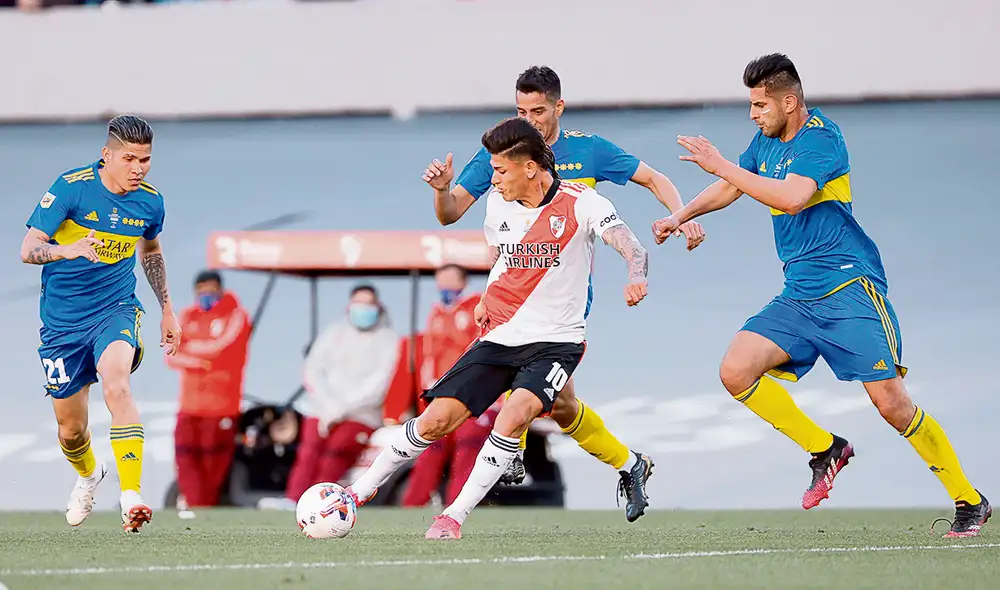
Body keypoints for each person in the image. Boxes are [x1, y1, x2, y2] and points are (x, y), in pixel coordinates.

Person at [652, 53, 990, 538]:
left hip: (848, 287)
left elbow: (791, 196)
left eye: (759, 105)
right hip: (800, 293)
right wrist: (679, 215)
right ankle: (826, 449)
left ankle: (968, 499)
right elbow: (731, 187)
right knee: (735, 369)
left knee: (893, 405)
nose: (753, 114)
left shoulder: (822, 139)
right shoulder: (766, 142)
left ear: (789, 101)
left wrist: (721, 162)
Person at [348, 117, 650, 540]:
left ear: (530, 167)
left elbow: (629, 243)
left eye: (500, 170)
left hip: (556, 341)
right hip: (500, 335)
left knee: (514, 414)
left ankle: (452, 517)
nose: (493, 179)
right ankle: (353, 495)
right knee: (437, 421)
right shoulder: (498, 203)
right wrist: (490, 295)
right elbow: (504, 258)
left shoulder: (582, 201)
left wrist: (636, 274)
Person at [423, 65, 692, 521]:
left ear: (559, 108)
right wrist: (443, 189)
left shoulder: (587, 151)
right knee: (562, 407)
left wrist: (683, 216)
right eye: (521, 110)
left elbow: (654, 178)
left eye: (539, 111)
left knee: (527, 376)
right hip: (512, 292)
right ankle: (630, 464)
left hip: (563, 298)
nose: (530, 121)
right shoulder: (502, 151)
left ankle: (513, 447)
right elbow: (449, 214)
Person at [20, 114, 181, 533]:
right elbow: (28, 248)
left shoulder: (150, 201)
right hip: (62, 322)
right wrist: (67, 250)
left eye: (145, 160)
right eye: (129, 159)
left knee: (117, 384)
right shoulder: (71, 188)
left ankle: (132, 496)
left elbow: (150, 250)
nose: (138, 169)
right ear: (106, 155)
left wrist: (167, 308)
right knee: (71, 431)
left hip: (115, 309)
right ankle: (90, 476)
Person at [265, 284, 400, 509]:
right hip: (323, 409)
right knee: (309, 450)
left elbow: (379, 385)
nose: (363, 309)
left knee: (336, 450)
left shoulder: (389, 340)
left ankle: (320, 502)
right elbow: (313, 370)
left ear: (378, 307)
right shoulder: (333, 332)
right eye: (359, 303)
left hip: (361, 414)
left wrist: (342, 409)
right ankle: (293, 498)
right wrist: (329, 407)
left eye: (368, 304)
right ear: (349, 306)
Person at [399, 264, 497, 507]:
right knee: (430, 447)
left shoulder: (478, 306)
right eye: (440, 281)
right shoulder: (438, 312)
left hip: (474, 393)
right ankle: (412, 506)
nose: (444, 287)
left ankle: (457, 508)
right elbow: (430, 356)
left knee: (467, 447)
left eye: (450, 281)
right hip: (442, 394)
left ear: (463, 282)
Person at [166, 270, 251, 511]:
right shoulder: (187, 316)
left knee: (213, 463)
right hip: (190, 405)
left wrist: (189, 348)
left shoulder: (236, 315)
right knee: (184, 456)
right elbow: (171, 354)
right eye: (201, 289)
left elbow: (220, 348)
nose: (206, 294)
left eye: (211, 288)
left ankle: (206, 509)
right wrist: (198, 362)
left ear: (221, 289)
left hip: (222, 406)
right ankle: (195, 506)